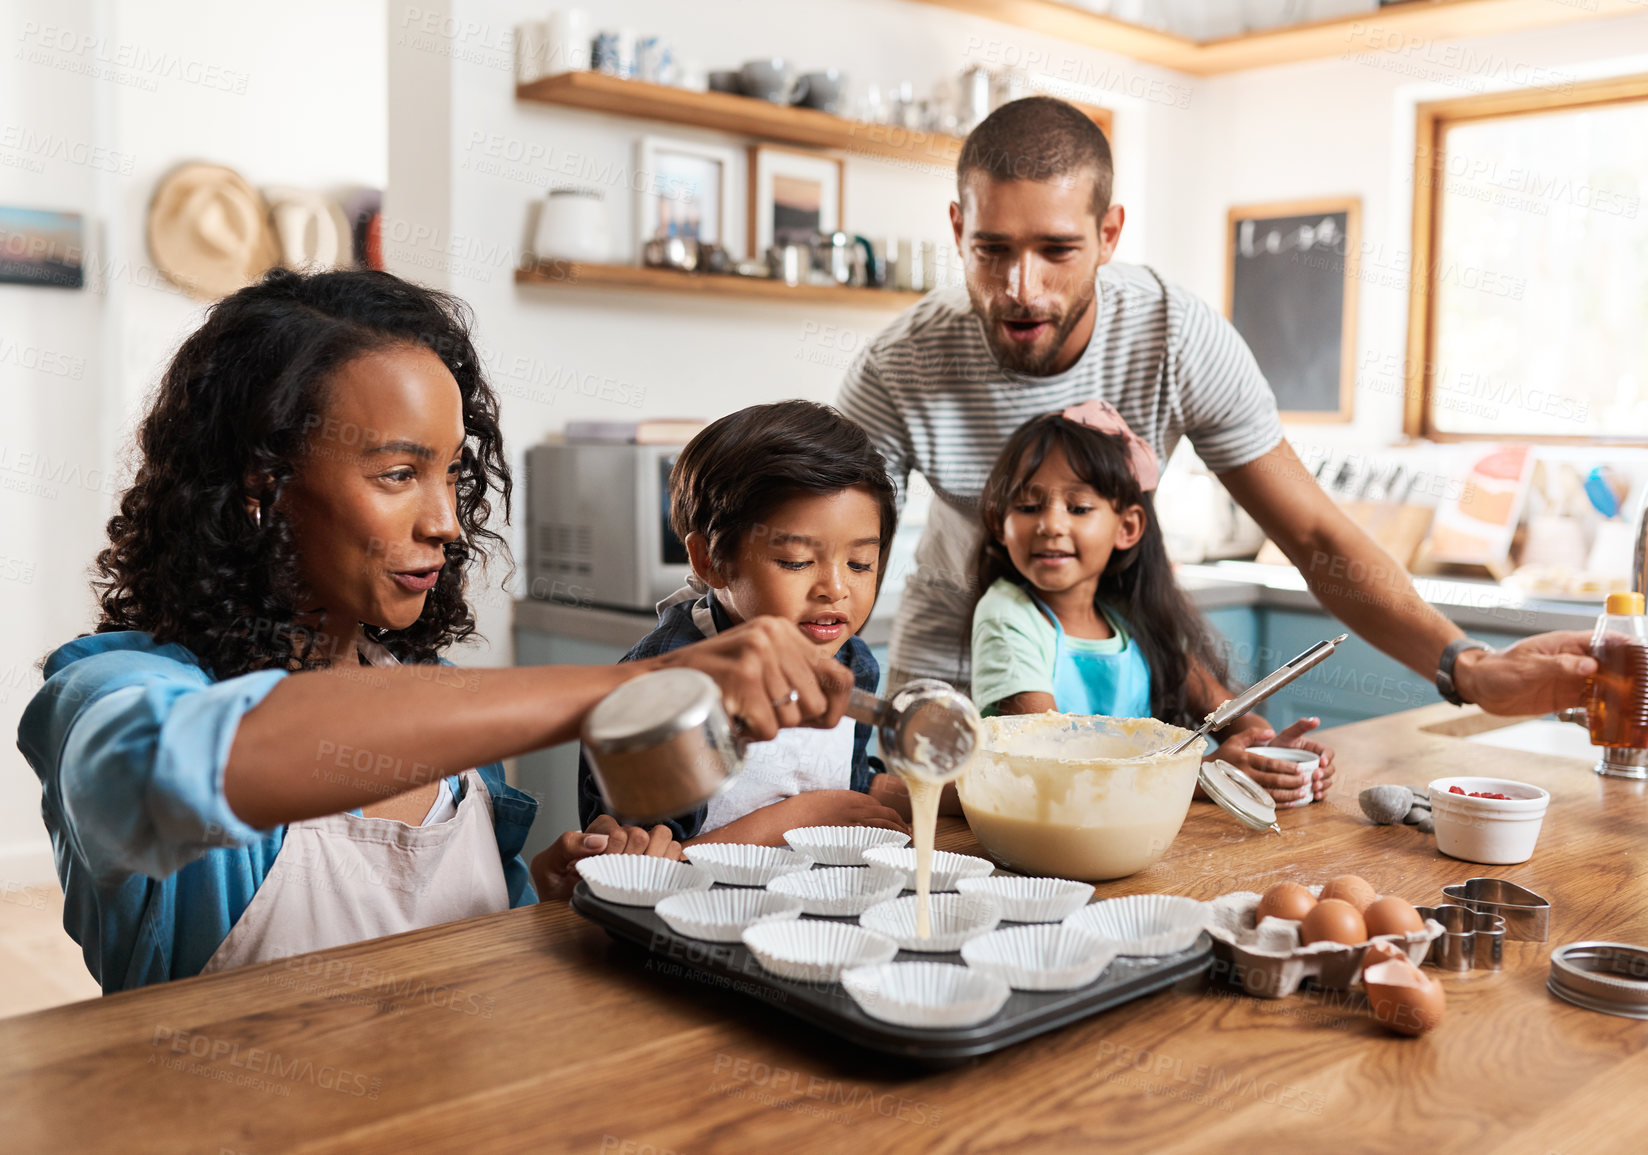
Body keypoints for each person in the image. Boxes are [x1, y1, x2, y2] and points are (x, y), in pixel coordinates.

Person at [17, 269, 853, 992]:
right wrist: (632, 686)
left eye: (453, 470)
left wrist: (546, 891)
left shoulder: (441, 707)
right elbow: (206, 761)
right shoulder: (113, 692)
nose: (448, 521)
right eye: (396, 473)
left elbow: (438, 947)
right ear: (259, 484)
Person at [837, 95, 1596, 720]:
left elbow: (1310, 531)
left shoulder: (1177, 338)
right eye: (992, 249)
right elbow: (824, 552)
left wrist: (1464, 663)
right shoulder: (899, 363)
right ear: (957, 230)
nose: (1020, 287)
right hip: (951, 654)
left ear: (1108, 236)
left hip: (1114, 645)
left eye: (1056, 250)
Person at [578, 401, 913, 843]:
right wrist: (799, 819)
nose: (835, 588)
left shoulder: (853, 663)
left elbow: (847, 785)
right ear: (710, 560)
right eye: (796, 562)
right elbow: (642, 865)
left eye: (860, 563)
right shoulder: (668, 688)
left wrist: (946, 790)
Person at [971, 402, 1332, 806]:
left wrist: (1266, 749)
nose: (1051, 524)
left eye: (1079, 508)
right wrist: (1204, 775)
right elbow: (1045, 762)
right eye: (1028, 507)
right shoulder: (1007, 614)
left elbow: (1234, 718)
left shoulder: (1134, 618)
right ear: (998, 522)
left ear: (1127, 527)